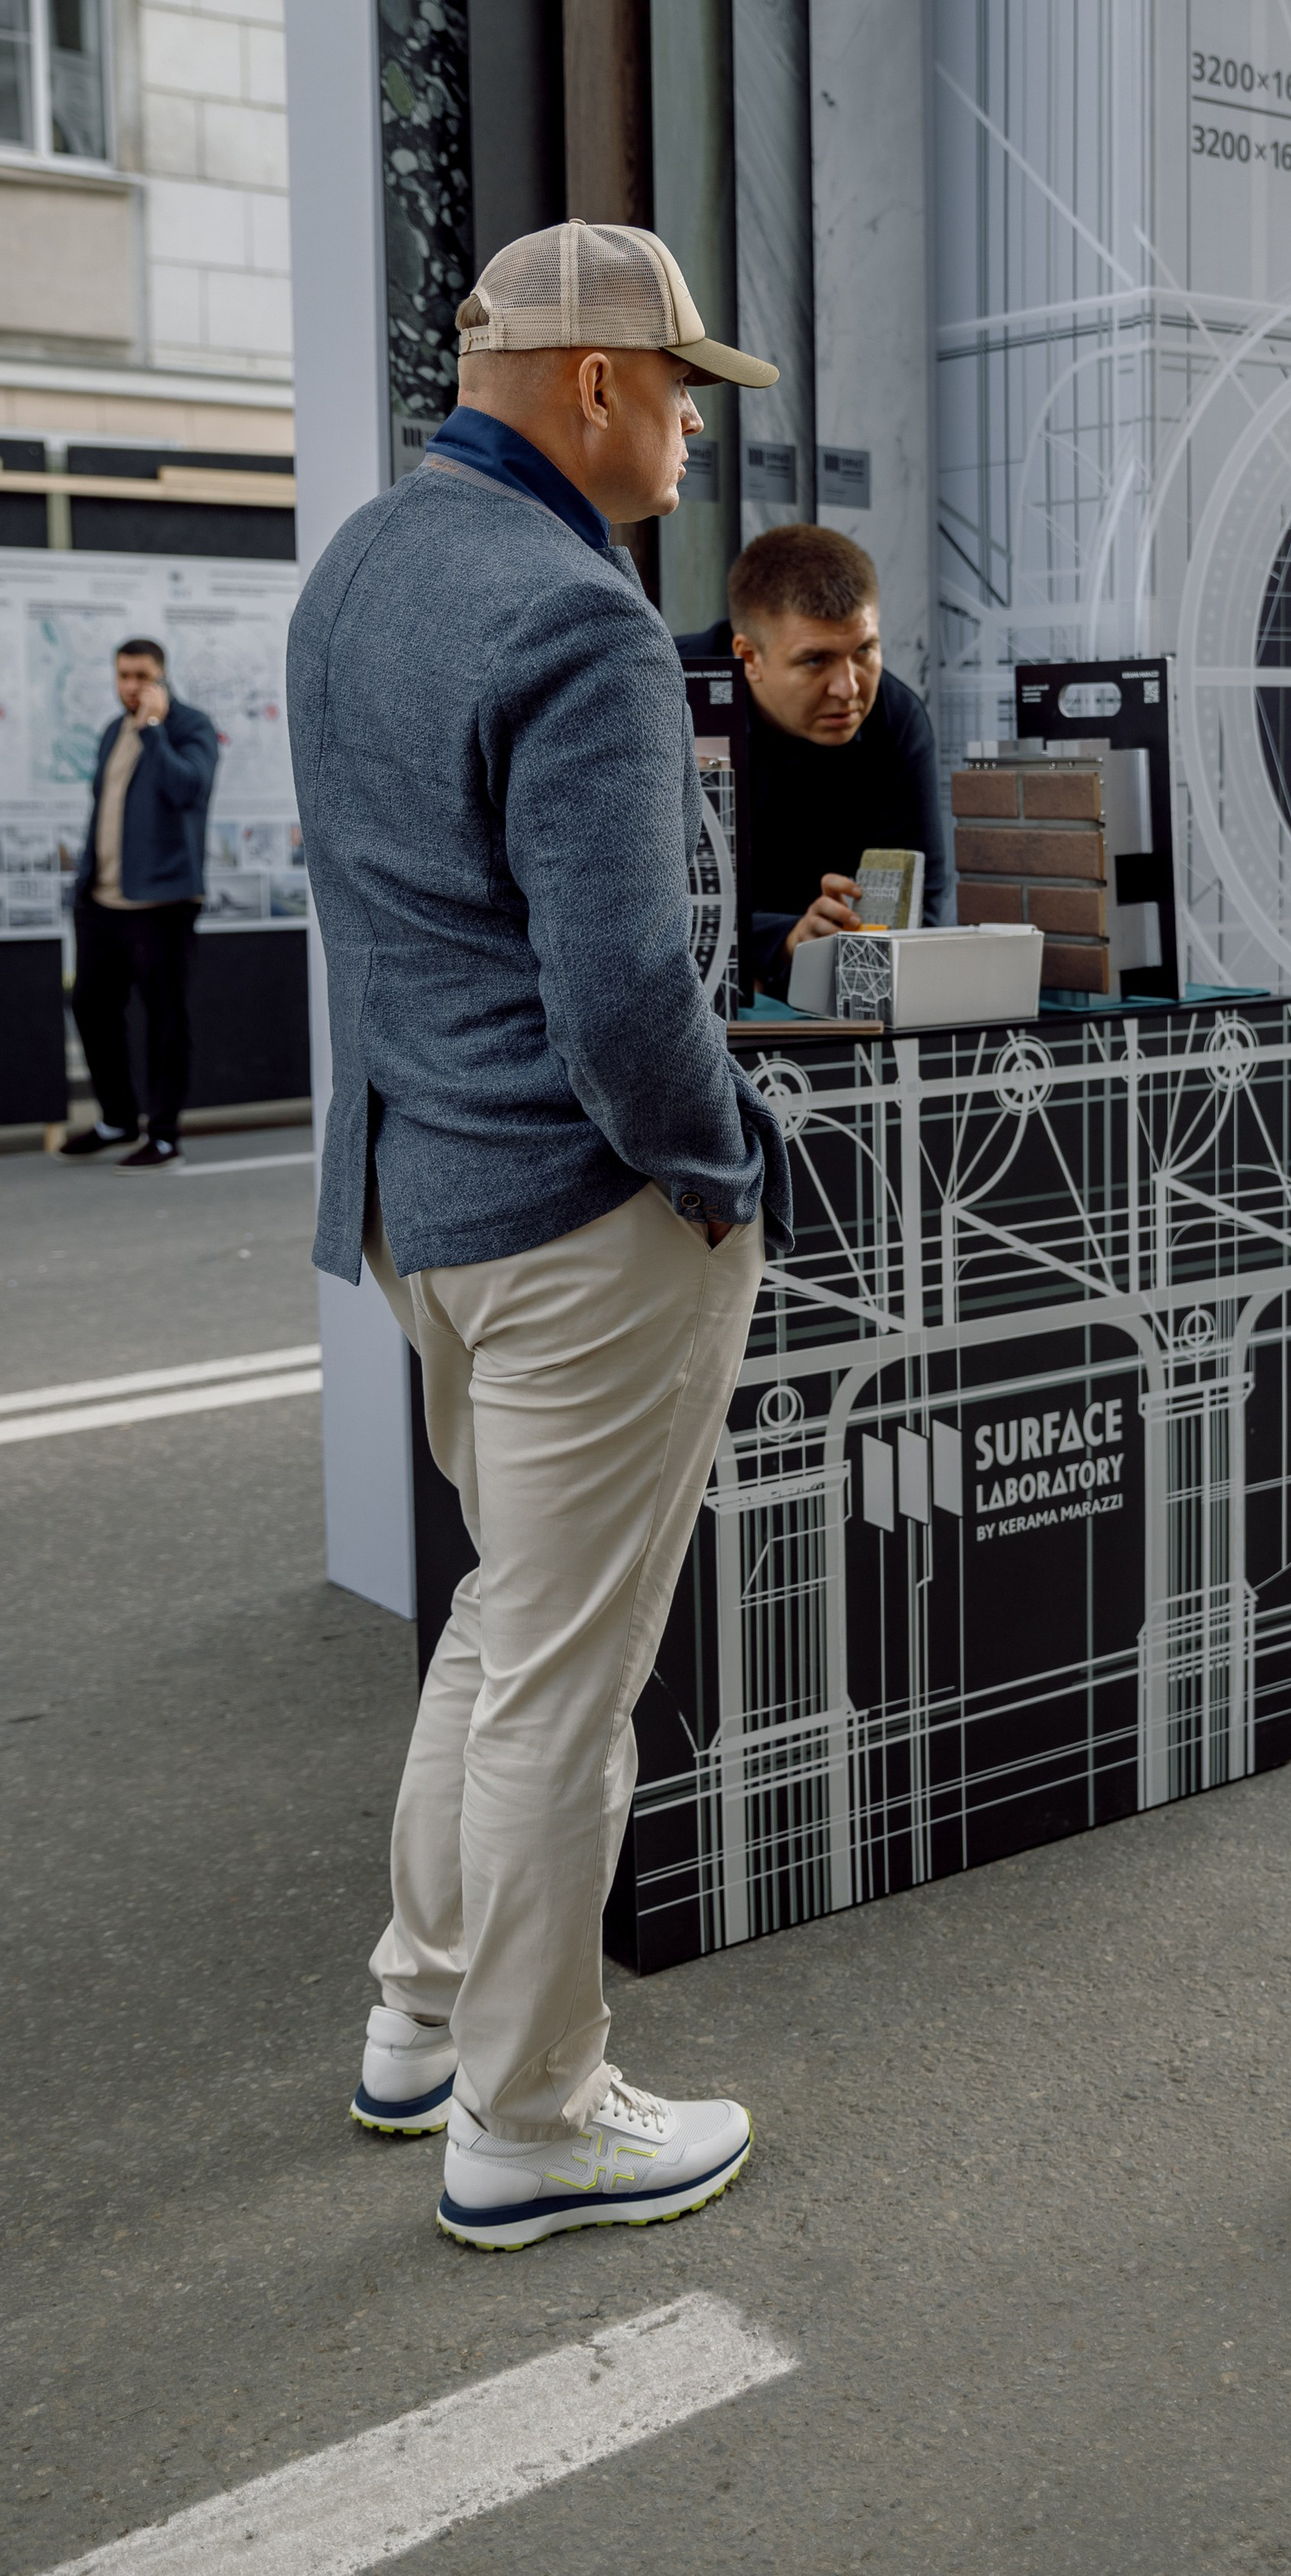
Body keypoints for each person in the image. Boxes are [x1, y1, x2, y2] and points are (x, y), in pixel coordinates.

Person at [290, 219, 795, 2253]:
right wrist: (720, 1161)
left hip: (422, 1195)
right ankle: (529, 2115)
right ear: (592, 386)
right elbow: (620, 986)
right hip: (583, 1220)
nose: (692, 433)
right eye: (680, 391)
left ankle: (422, 2025)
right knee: (562, 1685)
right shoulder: (575, 620)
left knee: (503, 1623)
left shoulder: (357, 573)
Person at [677, 523, 952, 991]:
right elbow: (632, 907)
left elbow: (919, 903)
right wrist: (783, 940)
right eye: (815, 661)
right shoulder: (666, 698)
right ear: (748, 657)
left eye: (865, 650)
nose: (849, 689)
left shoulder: (896, 719)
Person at [62, 637, 220, 1168]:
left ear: (161, 677)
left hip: (162, 904)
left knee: (165, 1020)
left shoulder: (188, 727)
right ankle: (117, 1119)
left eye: (141, 676)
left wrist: (154, 729)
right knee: (90, 1006)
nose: (130, 686)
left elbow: (189, 790)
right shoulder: (112, 731)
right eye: (123, 675)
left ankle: (165, 1131)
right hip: (102, 902)